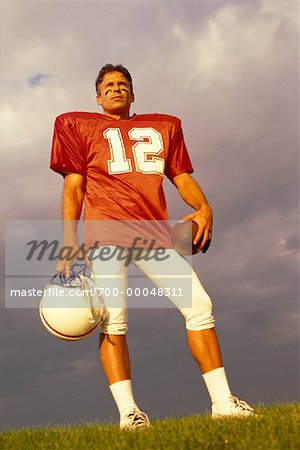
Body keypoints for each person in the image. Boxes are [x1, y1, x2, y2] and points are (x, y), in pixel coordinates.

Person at [50, 63, 254, 429]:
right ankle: (129, 413)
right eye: (109, 85)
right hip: (106, 234)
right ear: (98, 97)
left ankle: (223, 402)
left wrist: (203, 207)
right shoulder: (76, 125)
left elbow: (181, 176)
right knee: (114, 321)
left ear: (133, 93)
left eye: (123, 84)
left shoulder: (163, 126)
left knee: (199, 305)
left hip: (152, 235)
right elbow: (74, 187)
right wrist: (68, 241)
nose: (116, 88)